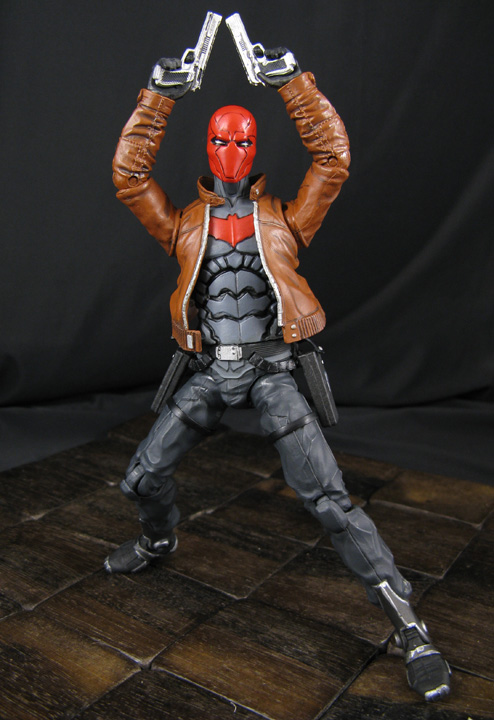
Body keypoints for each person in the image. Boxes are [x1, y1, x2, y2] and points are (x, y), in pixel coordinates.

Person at [105, 46, 450, 702]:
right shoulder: (184, 226)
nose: (230, 151)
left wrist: (293, 85)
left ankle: (412, 628)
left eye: (242, 140)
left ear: (255, 146)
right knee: (141, 478)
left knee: (329, 501)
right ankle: (158, 540)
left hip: (271, 372)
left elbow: (333, 160)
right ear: (206, 146)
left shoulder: (285, 219)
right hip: (213, 371)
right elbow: (130, 177)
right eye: (220, 140)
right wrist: (158, 97)